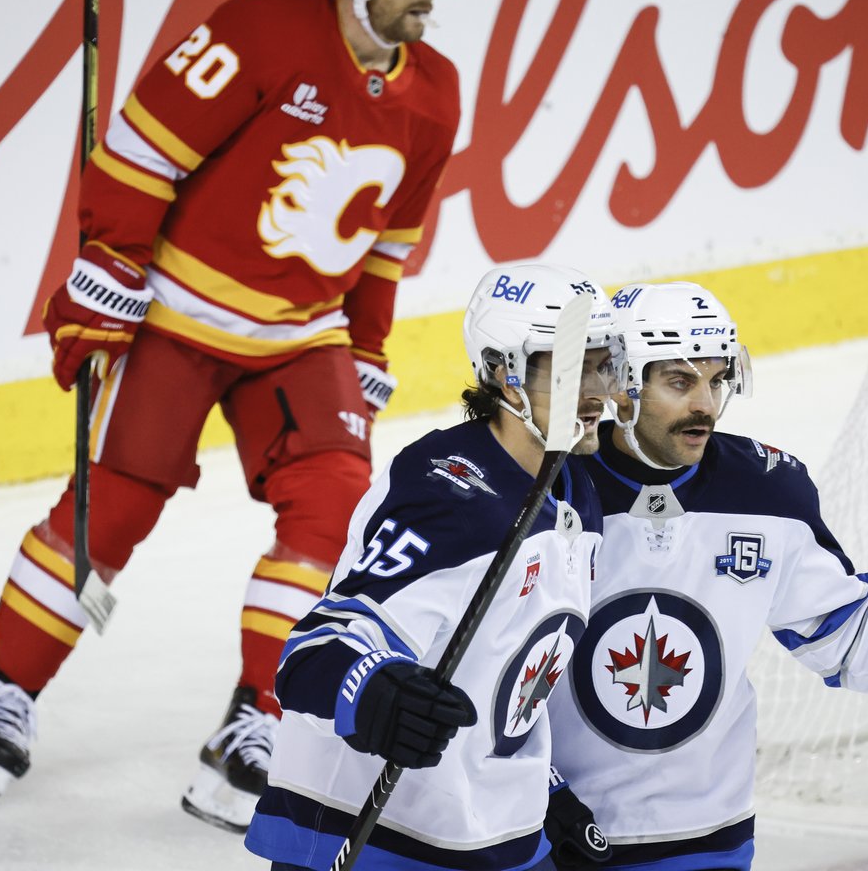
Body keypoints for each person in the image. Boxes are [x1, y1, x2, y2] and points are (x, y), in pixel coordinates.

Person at [0, 0, 466, 834]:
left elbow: (385, 246)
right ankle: (1, 692)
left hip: (301, 339)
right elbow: (141, 157)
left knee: (333, 509)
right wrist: (109, 266)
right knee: (115, 510)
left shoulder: (435, 93)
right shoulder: (258, 31)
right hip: (175, 320)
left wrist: (368, 348)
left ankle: (261, 718)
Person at [543, 282, 868, 871]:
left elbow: (845, 631)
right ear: (620, 382)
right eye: (679, 381)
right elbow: (489, 671)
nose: (706, 405)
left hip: (703, 835)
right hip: (551, 833)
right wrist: (540, 792)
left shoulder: (763, 491)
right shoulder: (548, 492)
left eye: (718, 380)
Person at [243, 264, 623, 871]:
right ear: (505, 375)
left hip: (488, 833)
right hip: (372, 835)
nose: (597, 391)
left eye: (603, 364)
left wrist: (546, 793)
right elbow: (313, 655)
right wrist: (372, 692)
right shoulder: (447, 495)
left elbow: (504, 671)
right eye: (571, 368)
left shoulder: (575, 492)